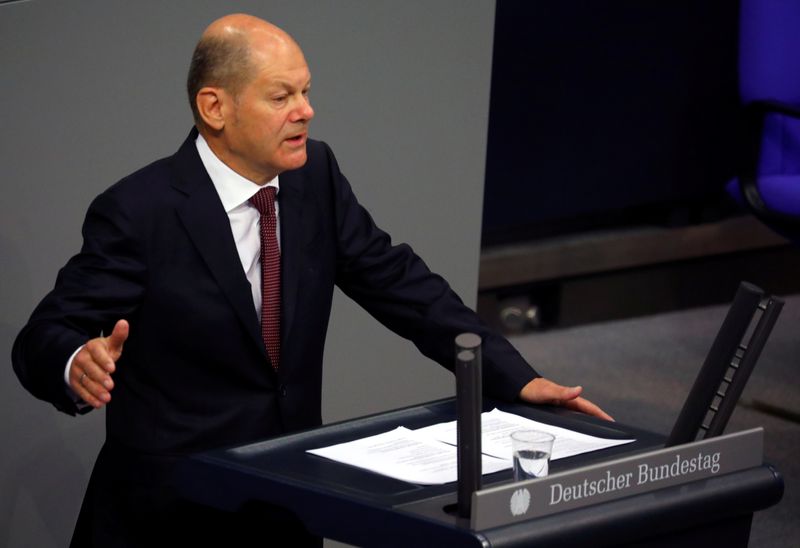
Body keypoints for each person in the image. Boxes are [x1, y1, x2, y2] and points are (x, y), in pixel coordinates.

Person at [12, 13, 611, 547]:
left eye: (305, 91)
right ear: (215, 107)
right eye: (282, 96)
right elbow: (44, 333)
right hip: (171, 513)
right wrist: (74, 363)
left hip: (287, 499)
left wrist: (515, 376)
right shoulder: (139, 211)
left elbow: (399, 282)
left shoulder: (313, 175)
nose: (306, 110)